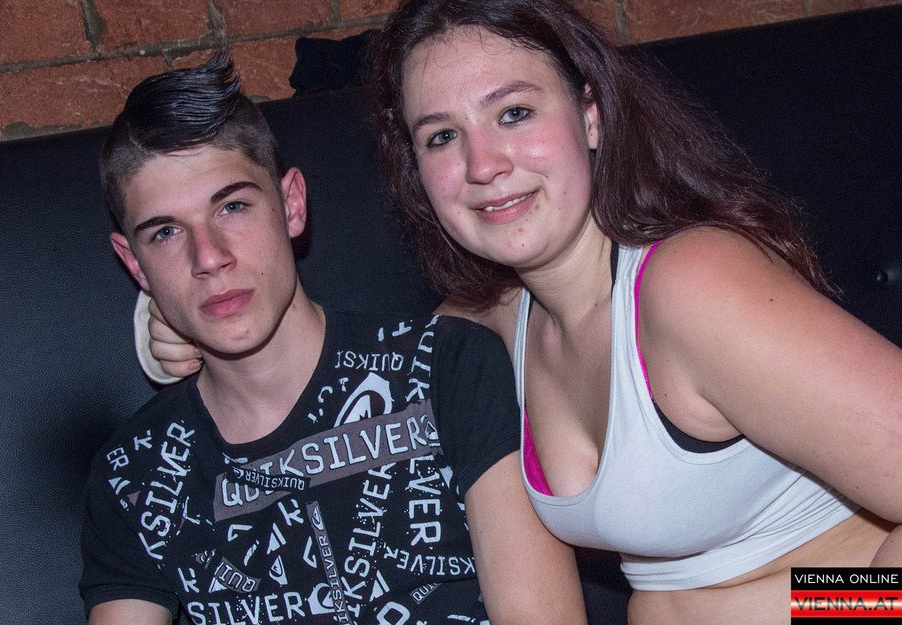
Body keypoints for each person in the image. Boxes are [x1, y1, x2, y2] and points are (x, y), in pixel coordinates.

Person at [143, 1, 902, 623]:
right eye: (443, 136)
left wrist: (794, 610)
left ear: (590, 115)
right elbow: (338, 370)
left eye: (513, 113)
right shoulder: (500, 322)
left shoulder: (691, 287)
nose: (483, 165)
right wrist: (175, 324)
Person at [80, 43, 581, 625]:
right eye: (165, 233)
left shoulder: (445, 366)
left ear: (291, 204)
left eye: (233, 207)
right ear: (134, 263)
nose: (209, 257)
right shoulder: (135, 474)